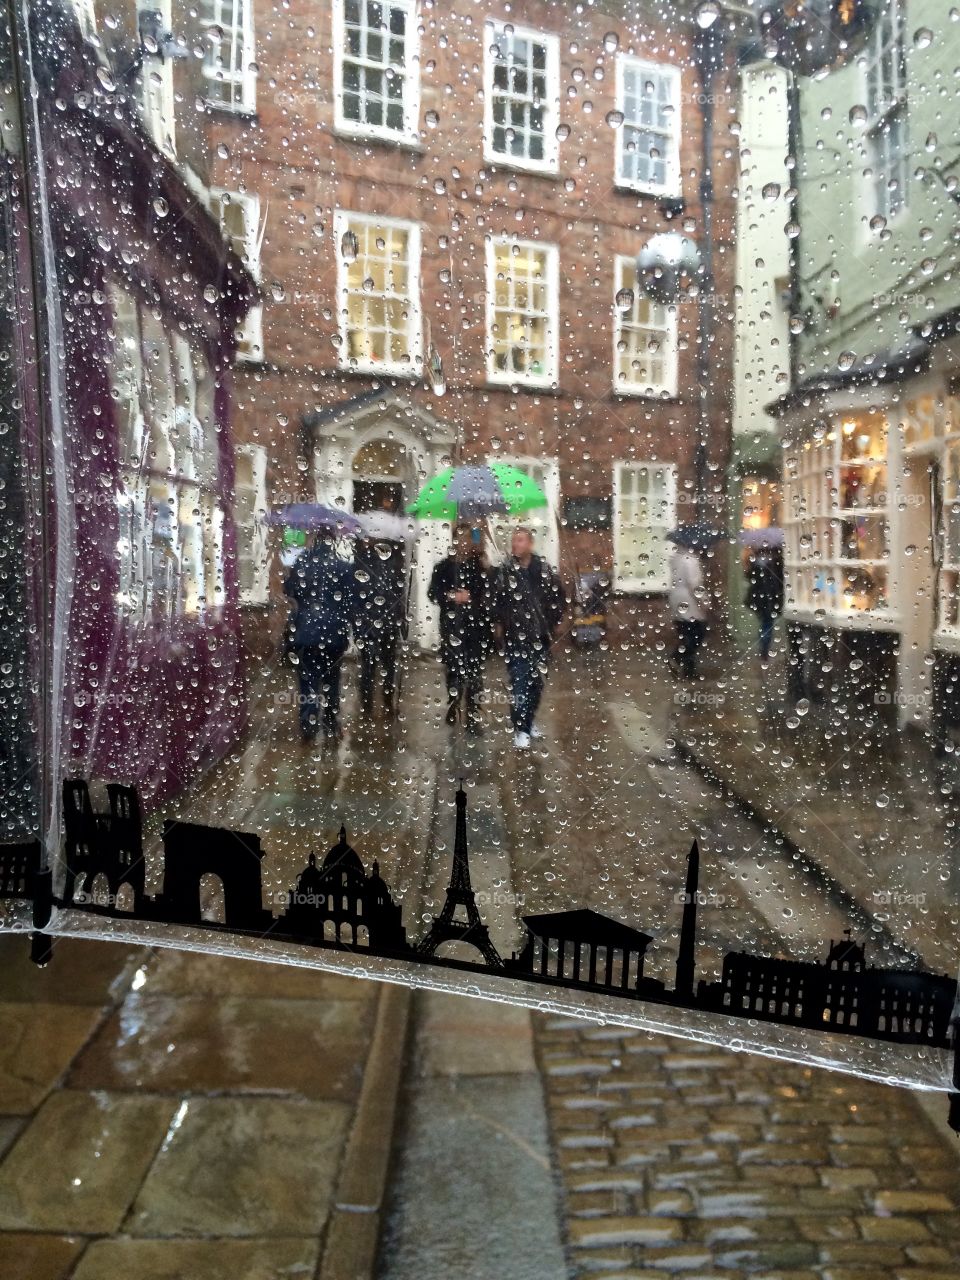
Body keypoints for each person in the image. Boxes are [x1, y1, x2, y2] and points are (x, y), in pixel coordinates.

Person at [493, 526, 565, 750]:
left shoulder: (543, 568)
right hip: (515, 636)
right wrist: (499, 623)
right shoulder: (505, 571)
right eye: (514, 541)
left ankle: (529, 721)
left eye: (521, 540)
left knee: (536, 684)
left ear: (530, 544)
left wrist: (552, 622)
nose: (516, 544)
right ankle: (521, 729)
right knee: (519, 683)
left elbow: (557, 597)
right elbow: (495, 600)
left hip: (540, 636)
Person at [284, 529, 356, 742]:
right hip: (334, 634)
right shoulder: (343, 567)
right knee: (331, 680)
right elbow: (349, 601)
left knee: (307, 680)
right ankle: (331, 723)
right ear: (332, 541)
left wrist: (290, 574)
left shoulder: (300, 563)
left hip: (305, 633)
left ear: (314, 539)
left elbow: (290, 592)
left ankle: (308, 723)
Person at [428, 525, 491, 735]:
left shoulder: (479, 567)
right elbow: (433, 593)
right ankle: (454, 703)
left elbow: (487, 594)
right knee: (453, 668)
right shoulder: (443, 567)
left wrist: (471, 596)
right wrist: (451, 596)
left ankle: (473, 713)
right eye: (459, 539)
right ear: (453, 541)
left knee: (474, 672)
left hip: (475, 627)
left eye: (467, 539)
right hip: (451, 626)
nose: (463, 543)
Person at [353, 536, 406, 719]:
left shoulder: (366, 560)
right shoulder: (368, 561)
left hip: (381, 622)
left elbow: (397, 592)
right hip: (375, 622)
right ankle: (377, 703)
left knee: (381, 664)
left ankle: (377, 703)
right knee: (375, 664)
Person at [668, 542, 708, 680]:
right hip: (689, 600)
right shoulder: (691, 560)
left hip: (675, 597)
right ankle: (677, 658)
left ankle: (688, 669)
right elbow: (694, 584)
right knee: (697, 634)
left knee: (685, 632)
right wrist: (703, 601)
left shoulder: (675, 558)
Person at [745, 544, 784, 662]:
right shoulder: (775, 563)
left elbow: (748, 576)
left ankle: (764, 648)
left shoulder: (755, 562)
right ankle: (764, 649)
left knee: (765, 622)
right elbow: (781, 580)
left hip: (758, 599)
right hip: (769, 598)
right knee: (767, 623)